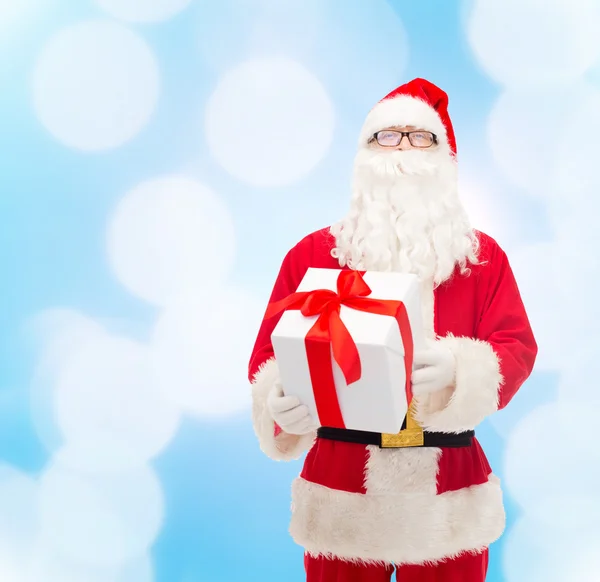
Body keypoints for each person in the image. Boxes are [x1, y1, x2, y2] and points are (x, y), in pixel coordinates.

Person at [247, 78, 537, 582]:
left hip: (447, 490)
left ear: (445, 157)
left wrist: (460, 370)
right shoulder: (313, 255)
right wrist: (277, 403)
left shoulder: (482, 259)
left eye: (420, 137)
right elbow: (268, 358)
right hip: (342, 489)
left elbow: (516, 347)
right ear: (363, 153)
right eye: (388, 136)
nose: (403, 148)